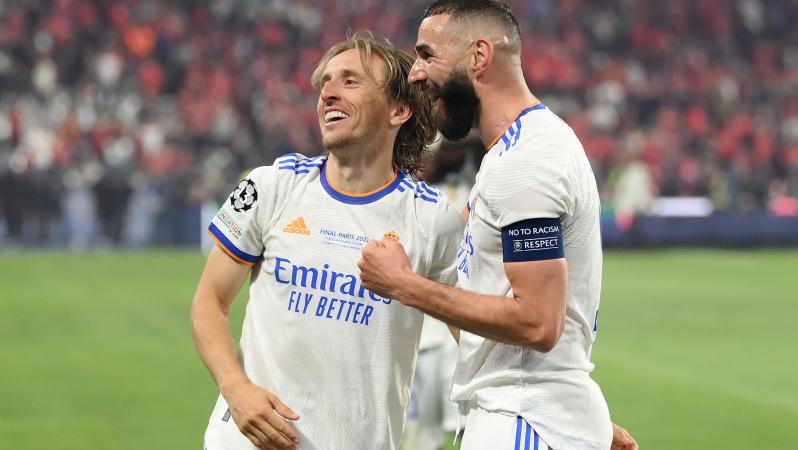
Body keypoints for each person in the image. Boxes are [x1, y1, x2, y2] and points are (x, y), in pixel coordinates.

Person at [358, 1, 639, 449]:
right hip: (533, 414)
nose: (415, 73)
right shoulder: (514, 152)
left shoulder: (526, 162)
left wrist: (404, 285)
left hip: (525, 417)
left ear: (478, 56)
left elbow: (537, 323)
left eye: (427, 55)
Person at [190, 34, 464, 450]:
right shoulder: (270, 185)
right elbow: (209, 301)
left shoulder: (434, 220)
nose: (328, 94)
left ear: (399, 109)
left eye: (351, 81)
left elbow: (478, 339)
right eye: (326, 83)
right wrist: (235, 388)